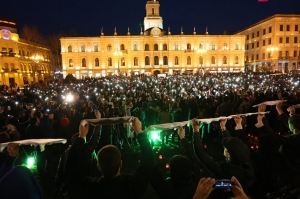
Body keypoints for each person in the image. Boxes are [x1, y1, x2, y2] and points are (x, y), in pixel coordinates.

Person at [65, 117, 154, 199]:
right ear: (120, 163)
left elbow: (70, 171)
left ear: (98, 165)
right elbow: (148, 162)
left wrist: (81, 137)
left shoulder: (90, 187)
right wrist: (139, 132)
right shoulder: (132, 186)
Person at [192, 118, 255, 194]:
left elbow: (201, 154)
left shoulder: (225, 170)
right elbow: (233, 147)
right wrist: (223, 128)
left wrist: (196, 131)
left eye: (225, 148)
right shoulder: (247, 164)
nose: (223, 148)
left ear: (228, 155)